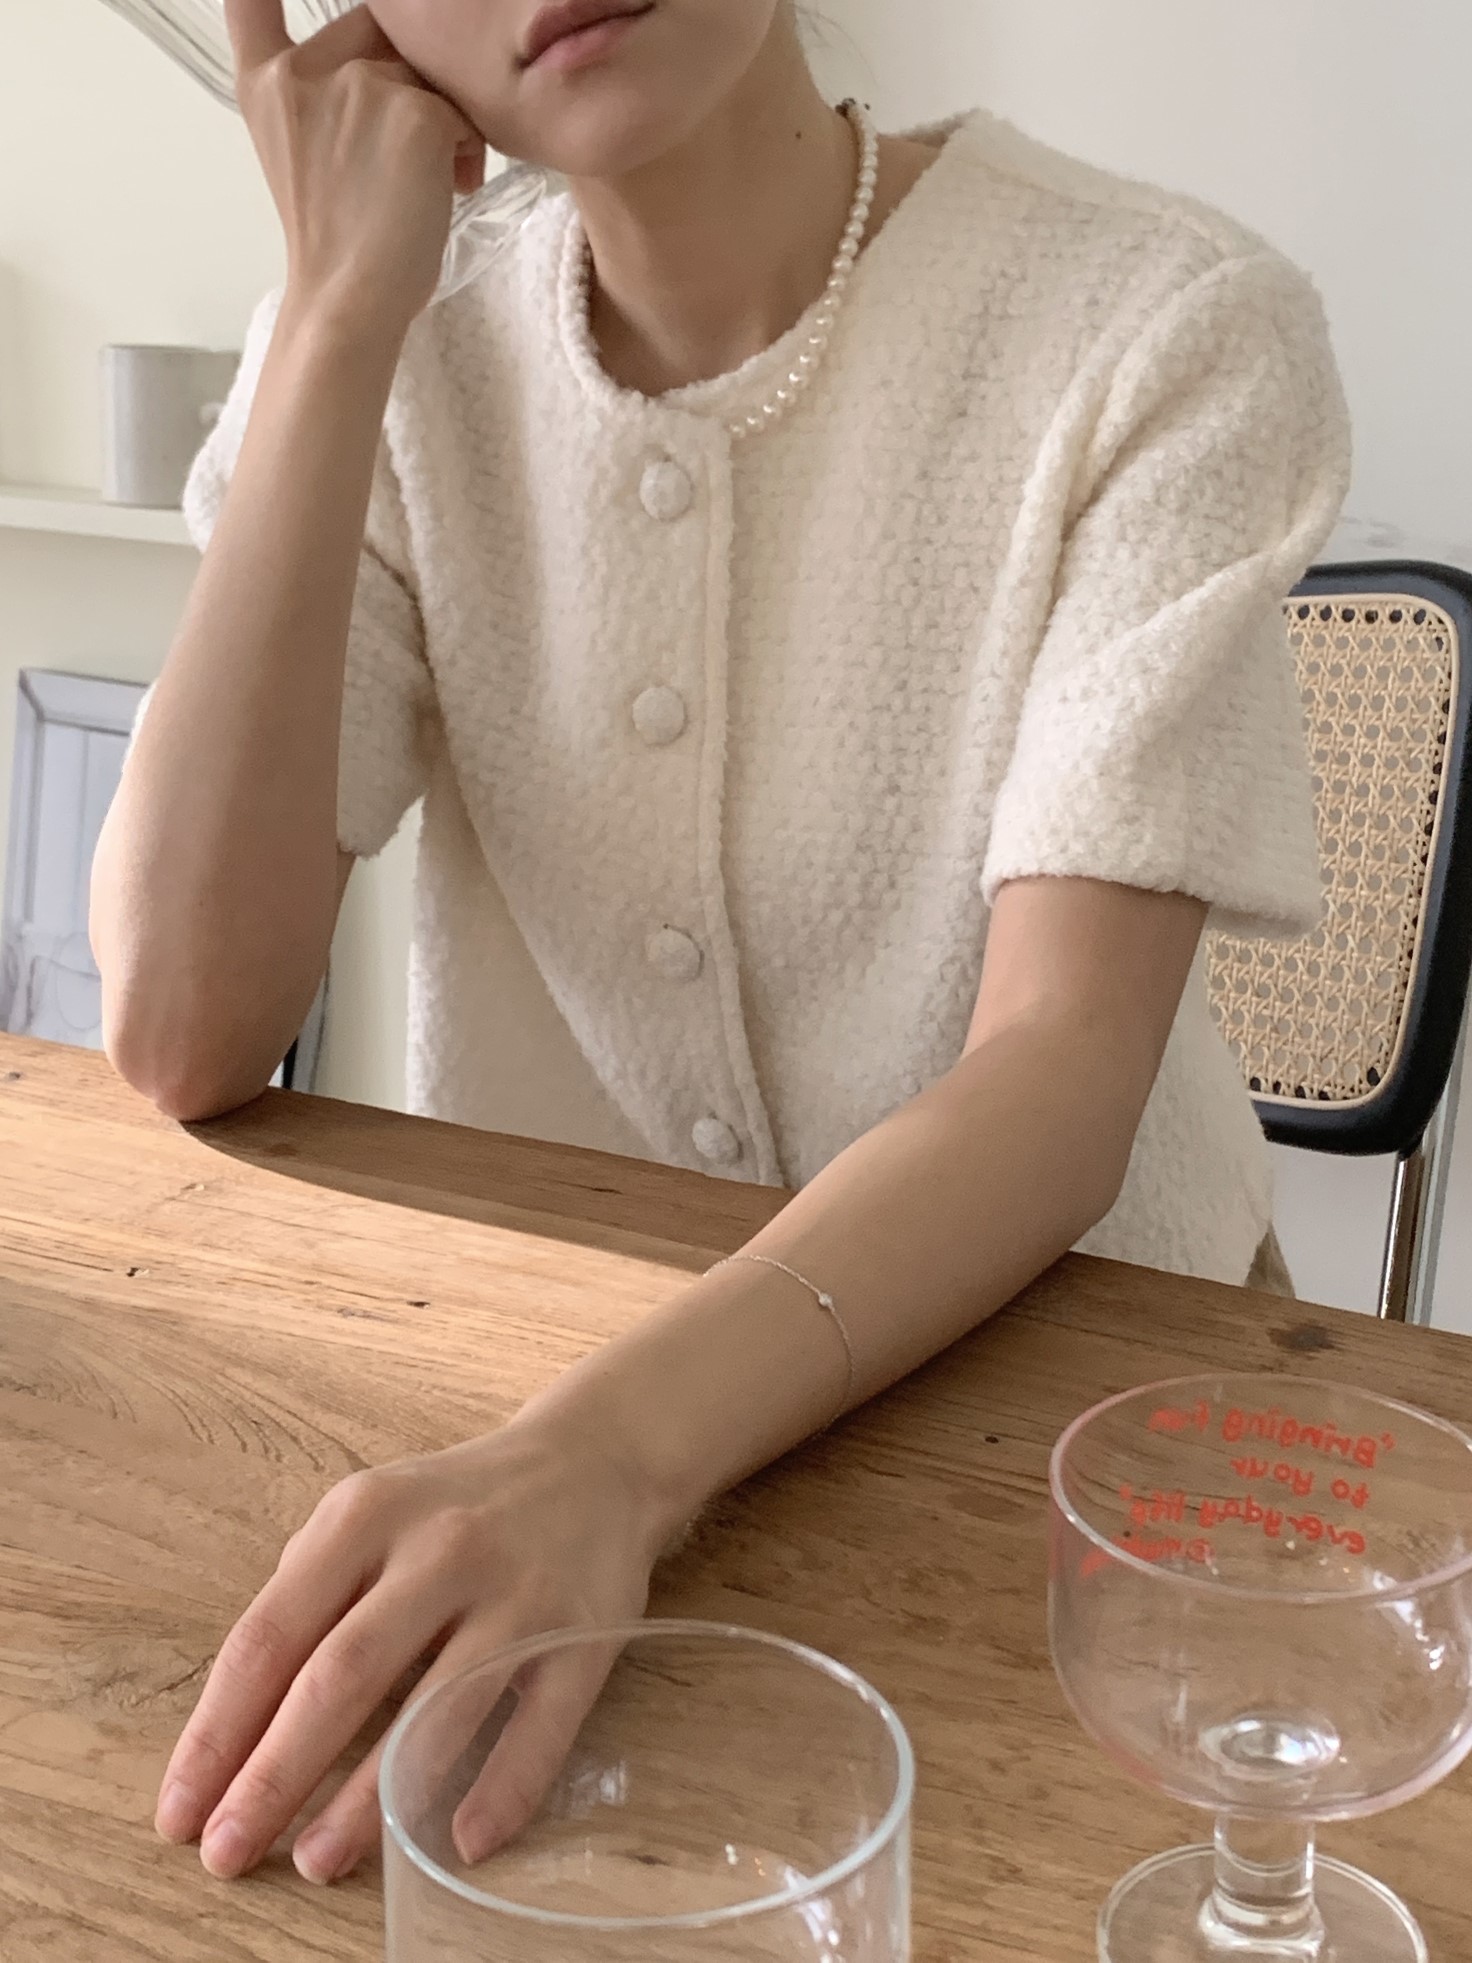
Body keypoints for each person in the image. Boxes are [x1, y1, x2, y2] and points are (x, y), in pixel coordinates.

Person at [90, 0, 1350, 1890]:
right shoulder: (399, 354)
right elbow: (185, 1018)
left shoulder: (1162, 323)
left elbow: (1062, 1065)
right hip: (547, 1439)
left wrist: (611, 1460)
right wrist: (335, 320)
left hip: (1089, 1450)